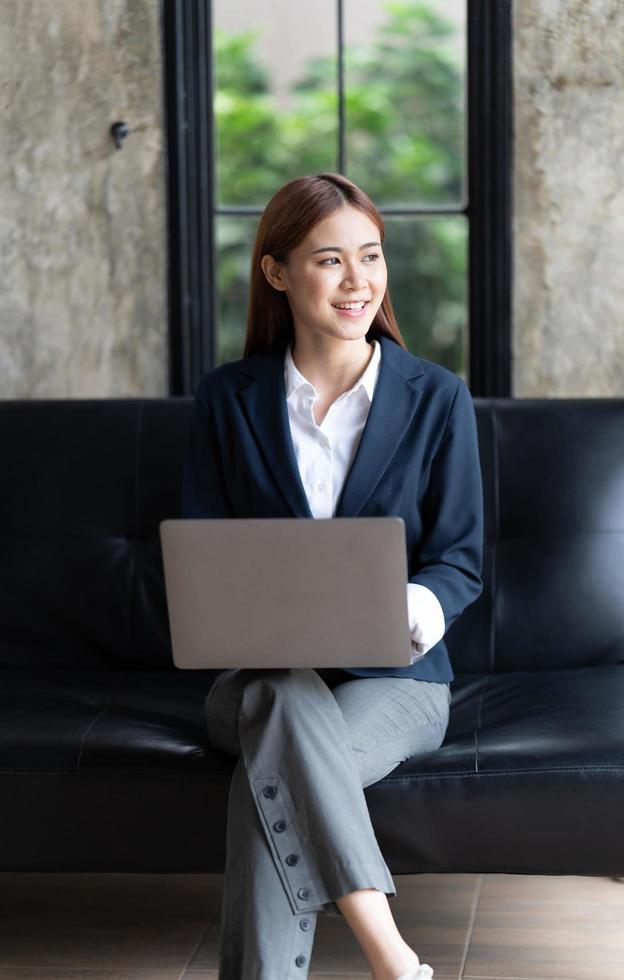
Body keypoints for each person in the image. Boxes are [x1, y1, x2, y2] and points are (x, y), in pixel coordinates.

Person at [180, 172, 484, 980]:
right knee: (278, 696)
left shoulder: (436, 398)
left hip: (401, 677)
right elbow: (200, 553)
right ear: (277, 271)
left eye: (371, 257)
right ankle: (392, 958)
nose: (359, 282)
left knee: (271, 769)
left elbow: (460, 558)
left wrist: (410, 607)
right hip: (256, 674)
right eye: (329, 260)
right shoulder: (227, 399)